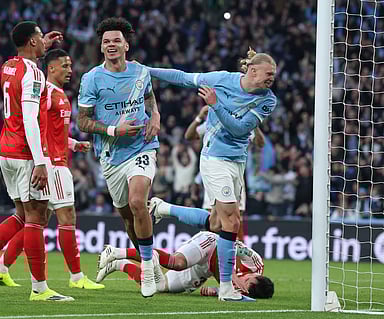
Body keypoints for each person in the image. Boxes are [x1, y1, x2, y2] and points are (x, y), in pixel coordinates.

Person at [146, 47, 277, 302]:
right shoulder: (222, 79)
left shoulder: (267, 99)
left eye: (274, 74)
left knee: (217, 224)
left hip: (237, 163)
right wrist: (146, 70)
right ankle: (227, 289)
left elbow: (239, 129)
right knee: (232, 223)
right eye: (268, 73)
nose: (272, 78)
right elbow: (183, 77)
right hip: (214, 159)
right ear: (252, 70)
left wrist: (216, 105)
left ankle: (163, 208)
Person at [0, 21, 73, 302]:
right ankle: (40, 289)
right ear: (32, 42)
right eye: (39, 36)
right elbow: (30, 117)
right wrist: (40, 161)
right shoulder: (35, 74)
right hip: (26, 154)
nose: (42, 39)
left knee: (22, 216)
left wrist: (40, 48)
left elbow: (22, 74)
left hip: (6, 150)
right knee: (37, 217)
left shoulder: (8, 66)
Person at [0, 49, 104, 290]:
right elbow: (36, 123)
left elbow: (52, 130)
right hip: (53, 164)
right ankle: (76, 277)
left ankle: (1, 267)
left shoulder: (59, 94)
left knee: (37, 220)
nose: (70, 70)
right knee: (66, 216)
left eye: (70, 66)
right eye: (65, 66)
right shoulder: (47, 92)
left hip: (55, 158)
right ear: (51, 68)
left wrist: (72, 143)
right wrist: (44, 158)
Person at [77, 17, 163, 297]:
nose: (111, 45)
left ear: (126, 45)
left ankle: (148, 270)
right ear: (101, 48)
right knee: (128, 216)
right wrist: (114, 129)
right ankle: (148, 261)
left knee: (139, 202)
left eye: (116, 40)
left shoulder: (141, 72)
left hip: (143, 146)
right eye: (106, 42)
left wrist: (156, 117)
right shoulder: (92, 79)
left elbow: (149, 98)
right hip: (112, 155)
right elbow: (82, 122)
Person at [96, 232, 273, 299]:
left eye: (246, 287)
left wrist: (215, 290)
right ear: (256, 276)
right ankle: (117, 252)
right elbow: (229, 245)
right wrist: (230, 276)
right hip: (210, 244)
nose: (244, 283)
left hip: (206, 269)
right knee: (176, 263)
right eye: (248, 280)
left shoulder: (246, 290)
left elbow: (213, 290)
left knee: (161, 286)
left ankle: (119, 264)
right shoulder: (255, 262)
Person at [184, 104, 265, 240]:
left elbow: (260, 143)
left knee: (236, 220)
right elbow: (189, 136)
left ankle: (235, 259)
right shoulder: (214, 122)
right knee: (213, 222)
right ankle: (211, 257)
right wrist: (199, 117)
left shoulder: (242, 124)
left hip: (235, 174)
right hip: (215, 173)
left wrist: (253, 121)